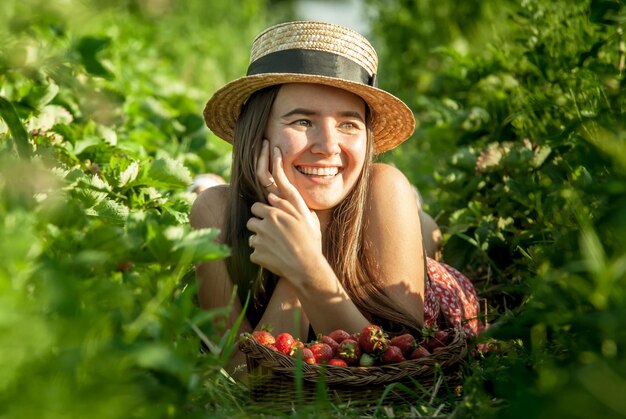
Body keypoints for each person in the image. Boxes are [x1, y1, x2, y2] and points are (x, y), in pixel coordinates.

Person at [190, 21, 480, 374]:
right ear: (257, 132)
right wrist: (295, 254)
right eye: (302, 122)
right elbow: (241, 376)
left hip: (399, 249)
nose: (328, 147)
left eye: (348, 124)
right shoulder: (213, 213)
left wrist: (306, 264)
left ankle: (418, 218)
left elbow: (399, 367)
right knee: (212, 194)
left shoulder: (385, 188)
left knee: (422, 229)